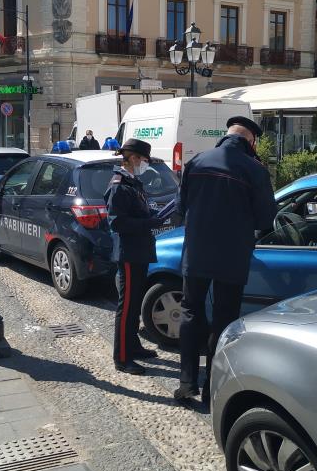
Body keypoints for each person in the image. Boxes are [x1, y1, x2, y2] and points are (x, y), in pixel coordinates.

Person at [174, 116, 277, 403]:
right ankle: (212, 388)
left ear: (227, 134)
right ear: (251, 140)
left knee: (191, 312)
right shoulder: (255, 170)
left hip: (196, 252)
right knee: (224, 318)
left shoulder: (197, 162)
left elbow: (182, 206)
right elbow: (266, 218)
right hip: (232, 256)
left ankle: (186, 383)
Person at [105, 138, 160, 375]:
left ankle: (134, 346)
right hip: (129, 252)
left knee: (135, 302)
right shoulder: (119, 185)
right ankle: (122, 357)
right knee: (126, 306)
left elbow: (136, 212)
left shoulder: (132, 182)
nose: (145, 164)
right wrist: (149, 221)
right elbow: (117, 222)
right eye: (144, 160)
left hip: (140, 250)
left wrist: (154, 214)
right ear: (134, 158)